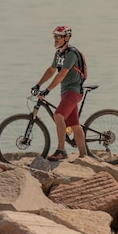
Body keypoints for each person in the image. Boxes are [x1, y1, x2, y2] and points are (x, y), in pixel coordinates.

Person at [31, 25, 87, 161]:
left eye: (58, 37)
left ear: (66, 38)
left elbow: (62, 74)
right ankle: (84, 156)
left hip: (73, 91)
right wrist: (38, 84)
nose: (55, 39)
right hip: (65, 91)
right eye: (54, 36)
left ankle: (61, 150)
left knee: (58, 115)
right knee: (74, 124)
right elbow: (51, 70)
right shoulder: (59, 54)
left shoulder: (71, 54)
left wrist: (47, 90)